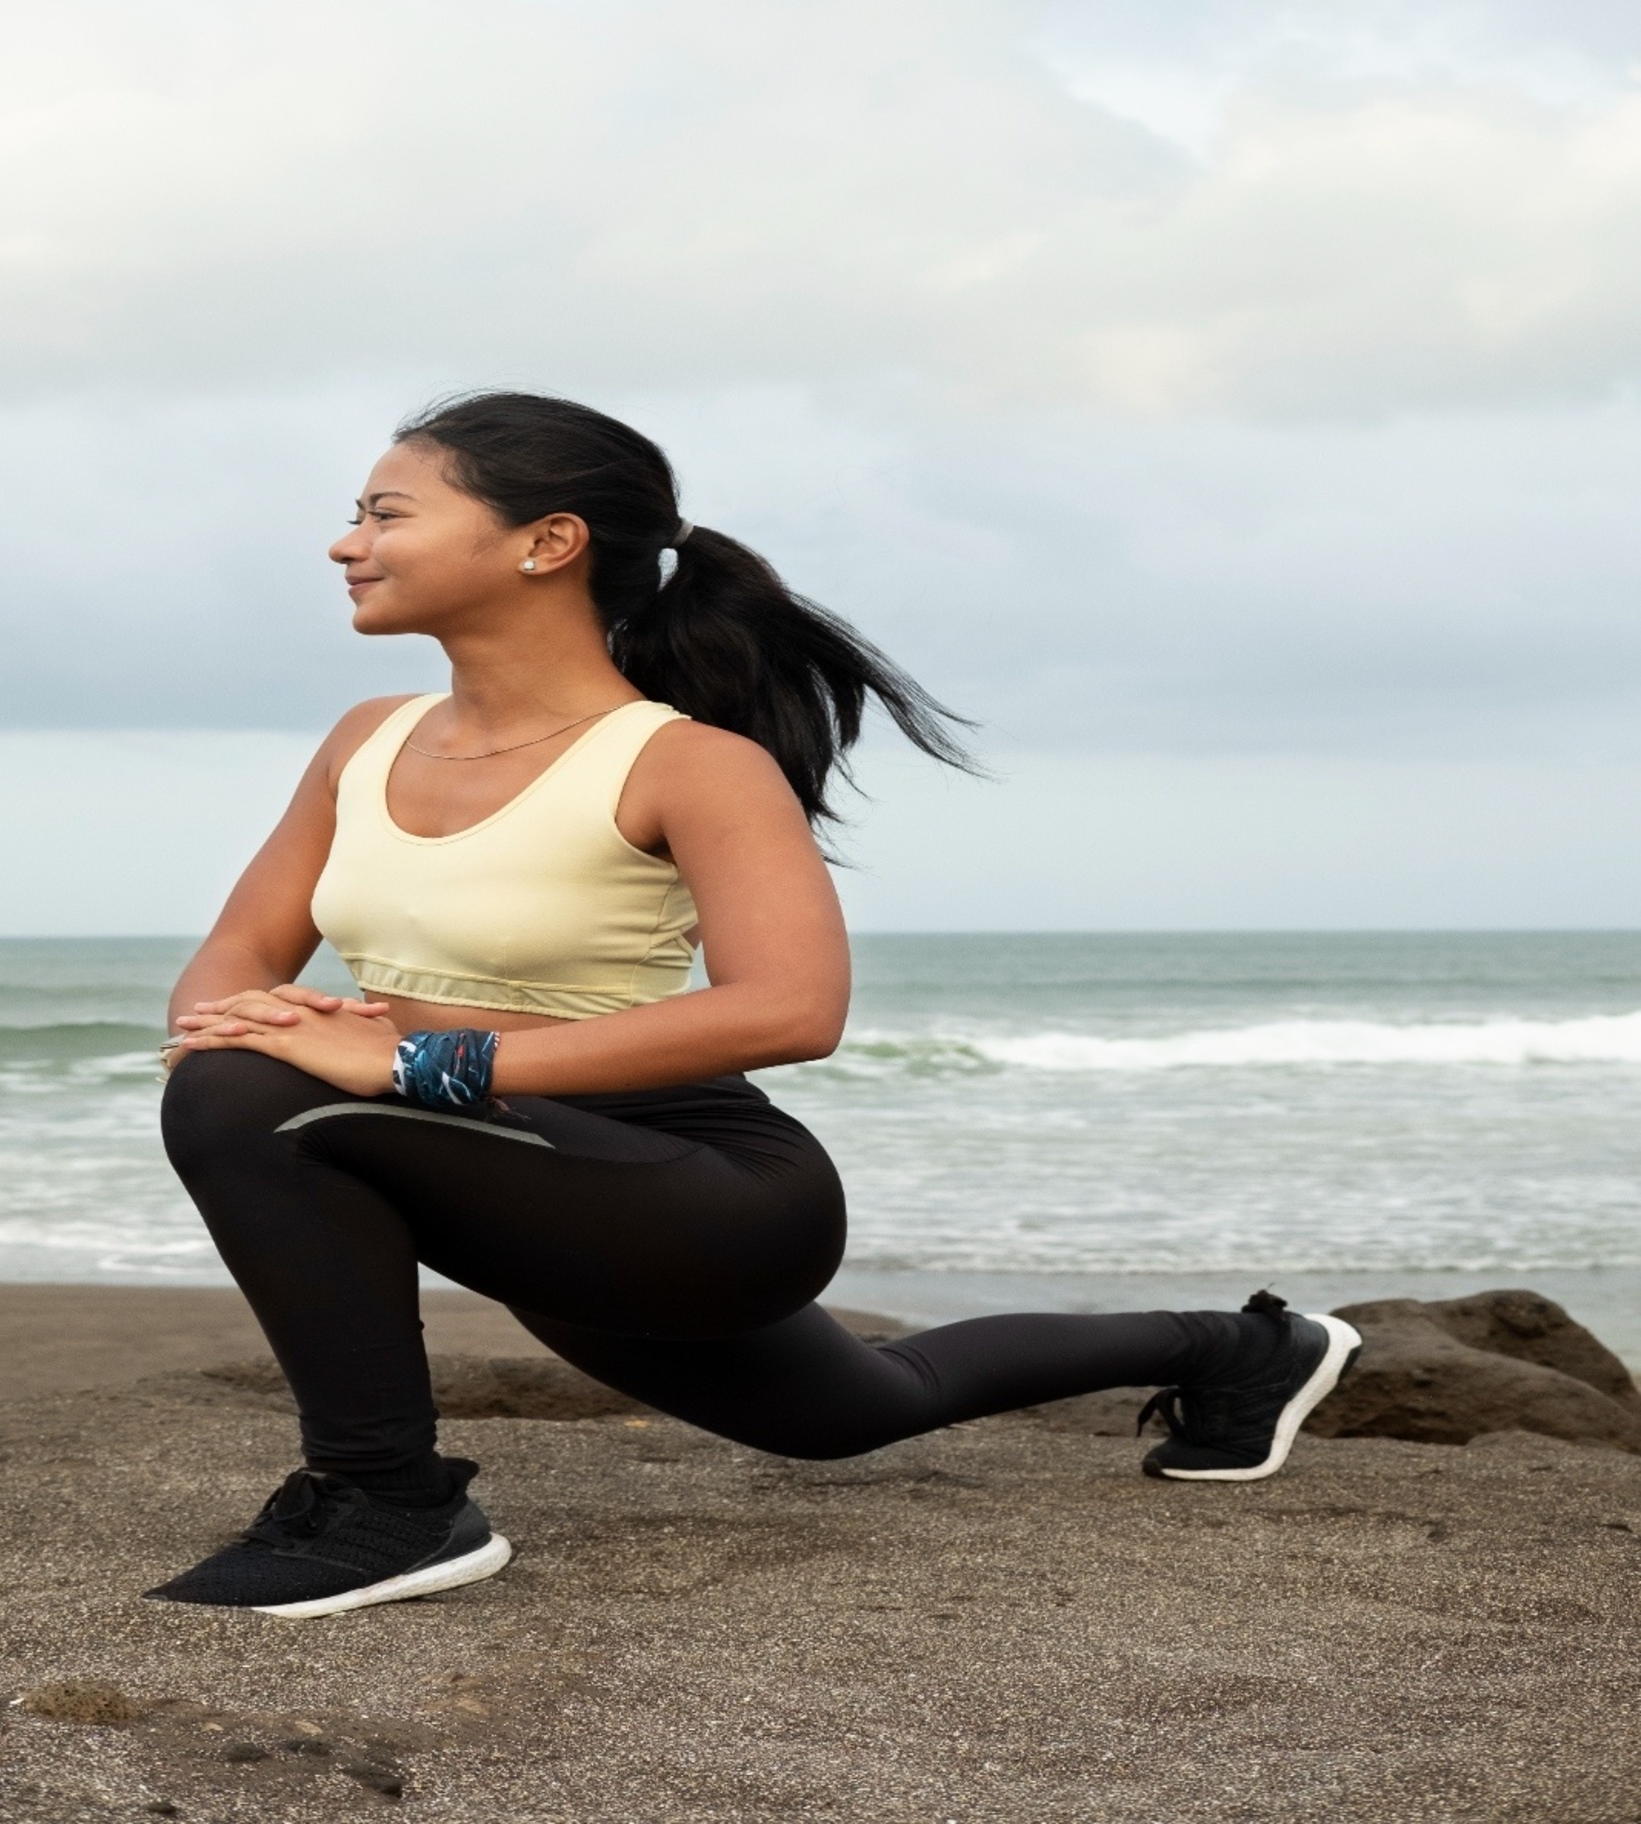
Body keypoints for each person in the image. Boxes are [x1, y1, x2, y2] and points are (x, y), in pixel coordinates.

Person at [151, 391, 1361, 1621]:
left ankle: (385, 1502)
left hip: (700, 1191)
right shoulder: (368, 736)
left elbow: (791, 1008)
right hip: (522, 1172)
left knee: (247, 1094)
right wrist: (240, 1017)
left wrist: (419, 1060)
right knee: (856, 1409)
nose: (344, 543)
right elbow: (242, 946)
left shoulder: (687, 761)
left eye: (384, 512)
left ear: (545, 541)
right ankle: (1240, 1348)